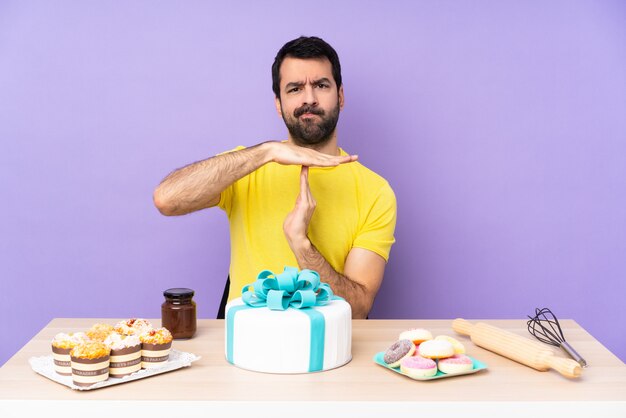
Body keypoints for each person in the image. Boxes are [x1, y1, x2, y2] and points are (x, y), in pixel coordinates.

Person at [153, 36, 396, 319]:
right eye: (294, 88)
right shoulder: (248, 167)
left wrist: (301, 244)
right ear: (279, 104)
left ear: (340, 96)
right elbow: (166, 199)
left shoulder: (375, 191)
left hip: (325, 350)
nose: (309, 98)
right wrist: (267, 152)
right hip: (245, 349)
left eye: (321, 85)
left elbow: (358, 309)